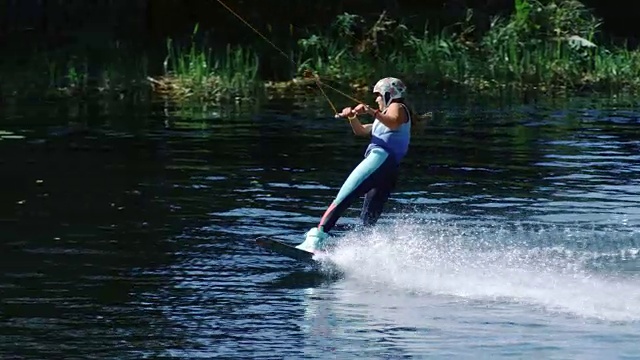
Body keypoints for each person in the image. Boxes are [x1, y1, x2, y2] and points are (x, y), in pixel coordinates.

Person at [296, 77, 414, 253]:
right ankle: (362, 253)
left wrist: (370, 110)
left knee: (343, 198)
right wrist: (352, 117)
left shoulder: (397, 107)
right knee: (369, 218)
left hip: (379, 160)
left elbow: (394, 121)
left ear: (389, 94)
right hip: (390, 170)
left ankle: (315, 240)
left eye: (378, 96)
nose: (376, 99)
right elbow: (360, 131)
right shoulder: (382, 119)